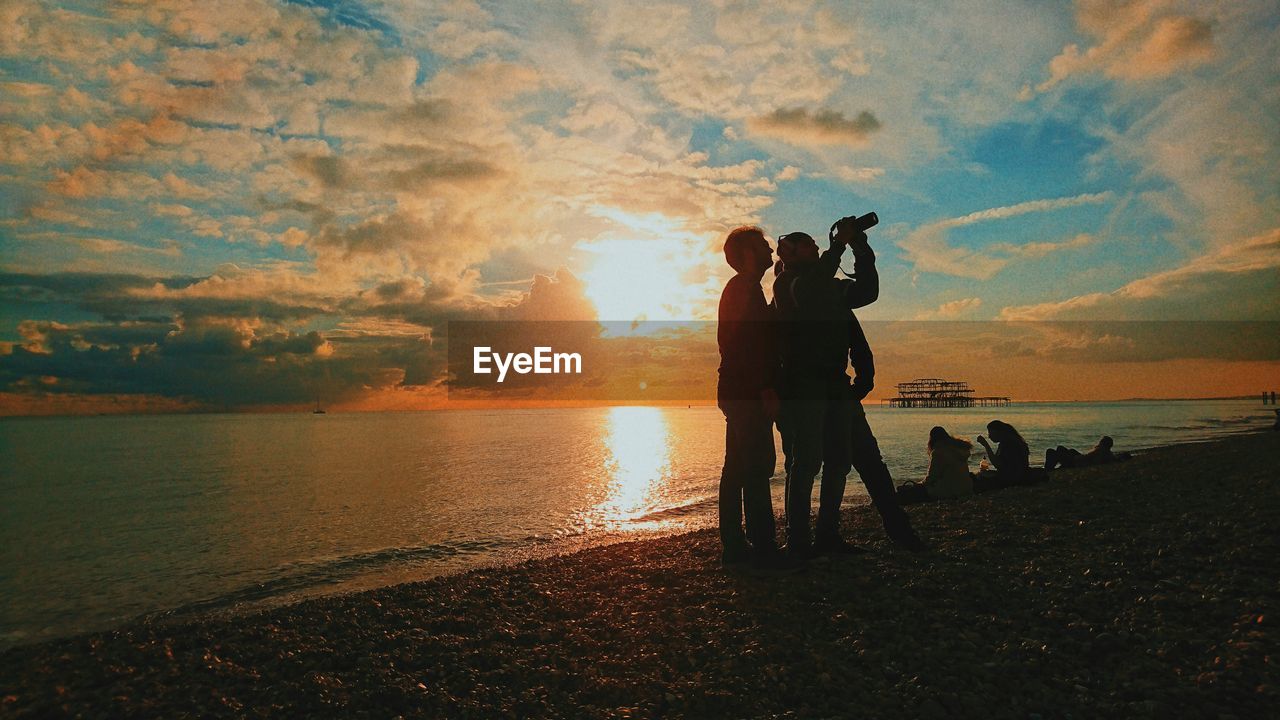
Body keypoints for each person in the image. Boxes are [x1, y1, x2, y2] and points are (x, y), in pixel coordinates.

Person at [835, 221, 926, 551]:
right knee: (819, 467)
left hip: (839, 393)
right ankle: (821, 537)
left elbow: (866, 295)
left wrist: (859, 246)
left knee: (867, 462)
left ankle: (897, 528)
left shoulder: (831, 291)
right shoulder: (796, 293)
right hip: (811, 396)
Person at [773, 228, 856, 557]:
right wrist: (839, 245)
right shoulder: (790, 282)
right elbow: (816, 284)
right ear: (790, 253)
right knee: (807, 462)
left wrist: (861, 251)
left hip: (832, 380)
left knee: (838, 460)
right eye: (809, 246)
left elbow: (866, 292)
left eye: (817, 245)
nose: (817, 248)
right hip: (805, 383)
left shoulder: (817, 280)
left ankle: (826, 535)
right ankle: (798, 540)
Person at [715, 226, 783, 568]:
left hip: (736, 390)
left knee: (738, 468)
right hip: (746, 392)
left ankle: (736, 546)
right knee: (755, 468)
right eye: (762, 244)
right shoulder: (743, 287)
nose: (770, 247)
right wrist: (765, 388)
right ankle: (762, 546)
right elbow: (746, 345)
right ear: (746, 254)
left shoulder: (746, 289)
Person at [897, 426, 974, 504]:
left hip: (950, 490)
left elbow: (932, 477)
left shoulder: (939, 451)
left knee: (907, 494)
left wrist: (919, 484)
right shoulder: (959, 449)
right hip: (966, 487)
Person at [974, 420, 1031, 491]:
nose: (989, 436)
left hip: (1012, 479)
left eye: (990, 432)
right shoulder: (1010, 441)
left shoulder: (1009, 444)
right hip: (1019, 475)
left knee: (977, 479)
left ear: (998, 432)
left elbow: (997, 464)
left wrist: (986, 445)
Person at [1045, 435, 1132, 470]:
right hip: (1080, 461)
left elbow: (1088, 459)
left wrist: (1076, 458)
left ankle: (1048, 470)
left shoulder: (1101, 451)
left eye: (1101, 441)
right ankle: (1055, 467)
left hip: (1077, 462)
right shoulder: (1108, 454)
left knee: (1052, 450)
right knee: (1068, 450)